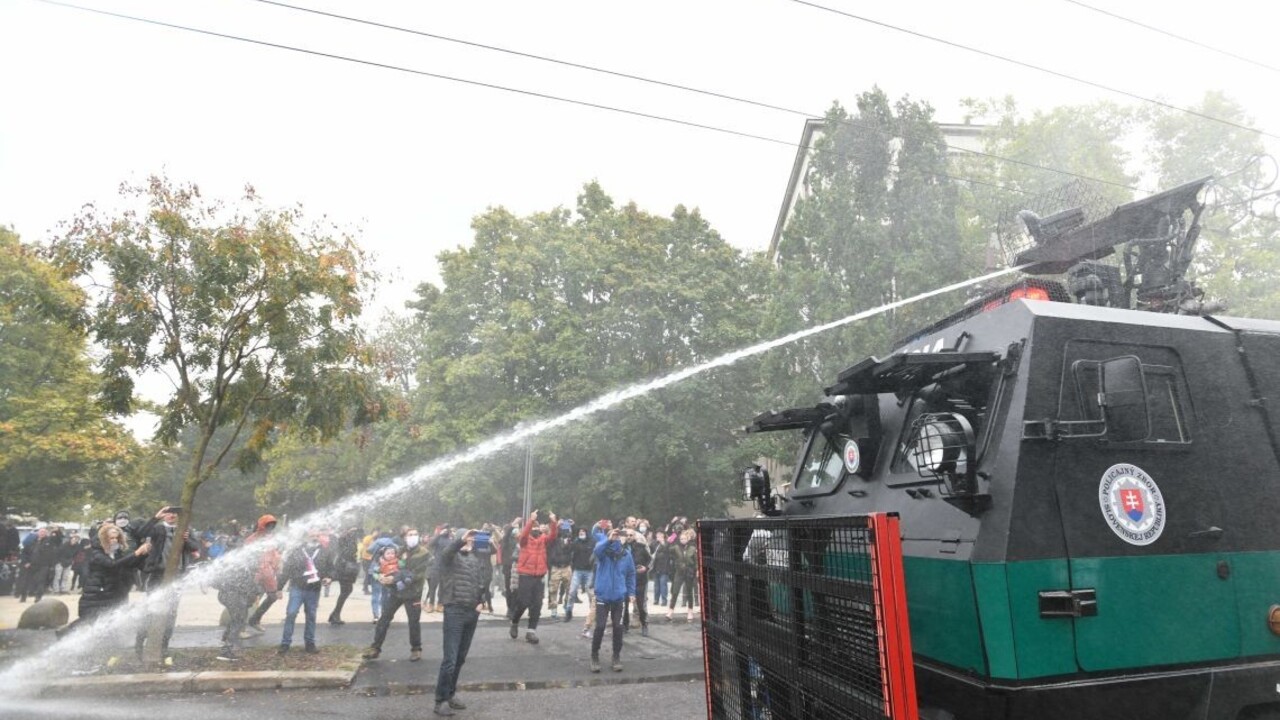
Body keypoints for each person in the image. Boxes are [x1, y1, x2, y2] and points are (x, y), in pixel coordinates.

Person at [432, 528, 492, 717]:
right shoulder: (450, 557)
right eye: (467, 538)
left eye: (472, 539)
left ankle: (451, 694)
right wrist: (460, 540)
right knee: (449, 659)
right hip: (454, 610)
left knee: (460, 658)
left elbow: (482, 581)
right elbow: (446, 553)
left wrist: (481, 601)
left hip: (471, 612)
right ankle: (440, 700)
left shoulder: (477, 559)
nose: (470, 541)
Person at [59, 524, 151, 636]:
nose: (114, 541)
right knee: (89, 619)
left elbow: (127, 564)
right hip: (96, 593)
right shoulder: (96, 552)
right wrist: (136, 553)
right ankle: (64, 635)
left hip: (111, 593)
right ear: (103, 538)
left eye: (117, 538)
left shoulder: (116, 552)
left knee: (107, 620)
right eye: (111, 538)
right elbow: (112, 565)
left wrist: (142, 555)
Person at [134, 505, 200, 660]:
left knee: (170, 613)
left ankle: (164, 647)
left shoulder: (185, 530)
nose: (171, 515)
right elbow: (141, 533)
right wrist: (155, 517)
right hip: (158, 575)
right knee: (151, 610)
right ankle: (139, 643)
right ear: (164, 515)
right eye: (168, 513)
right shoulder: (158, 529)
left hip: (176, 577)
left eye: (174, 513)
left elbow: (195, 548)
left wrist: (187, 540)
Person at [362, 527, 431, 661]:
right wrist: (383, 576)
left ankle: (416, 649)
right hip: (396, 591)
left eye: (416, 534)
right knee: (384, 619)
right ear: (405, 537)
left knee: (413, 622)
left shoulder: (424, 553)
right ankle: (375, 648)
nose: (413, 537)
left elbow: (418, 574)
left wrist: (394, 578)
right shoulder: (399, 551)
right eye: (410, 534)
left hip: (413, 592)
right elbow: (391, 565)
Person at [278, 528, 333, 654]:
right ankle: (285, 643)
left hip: (314, 589)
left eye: (316, 535)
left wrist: (329, 577)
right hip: (297, 587)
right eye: (311, 535)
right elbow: (287, 569)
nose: (314, 538)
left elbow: (331, 568)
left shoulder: (325, 552)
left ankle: (310, 643)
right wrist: (279, 588)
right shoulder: (297, 551)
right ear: (306, 537)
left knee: (311, 616)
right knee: (291, 613)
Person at [590, 527, 636, 673]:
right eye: (615, 535)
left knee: (618, 627)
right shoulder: (603, 552)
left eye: (620, 536)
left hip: (619, 597)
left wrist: (631, 592)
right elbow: (597, 551)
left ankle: (616, 656)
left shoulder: (626, 554)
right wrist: (608, 539)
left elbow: (631, 573)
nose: (618, 538)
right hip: (603, 596)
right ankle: (594, 655)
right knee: (600, 626)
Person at [509, 508, 558, 644]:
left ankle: (531, 632)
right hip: (526, 574)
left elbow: (553, 536)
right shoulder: (524, 540)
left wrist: (553, 522)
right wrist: (531, 520)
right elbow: (523, 534)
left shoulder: (543, 539)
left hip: (540, 575)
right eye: (533, 527)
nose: (536, 529)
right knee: (523, 602)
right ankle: (515, 621)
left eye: (537, 527)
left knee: (537, 604)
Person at [243, 514, 283, 634]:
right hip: (255, 573)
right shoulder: (251, 540)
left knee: (272, 597)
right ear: (261, 525)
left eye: (272, 525)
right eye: (268, 525)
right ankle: (240, 627)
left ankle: (255, 620)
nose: (270, 528)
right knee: (248, 600)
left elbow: (274, 554)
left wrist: (277, 566)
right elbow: (246, 557)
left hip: (268, 574)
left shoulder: (271, 539)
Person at [327, 525, 362, 625]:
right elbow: (347, 552)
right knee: (346, 590)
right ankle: (335, 614)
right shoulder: (345, 539)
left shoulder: (350, 539)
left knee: (346, 591)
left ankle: (335, 613)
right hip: (344, 568)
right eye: (353, 531)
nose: (354, 533)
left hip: (345, 568)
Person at [624, 526, 652, 636]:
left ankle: (644, 625)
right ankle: (625, 626)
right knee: (624, 606)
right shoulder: (622, 548)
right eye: (627, 535)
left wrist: (646, 568)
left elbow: (650, 560)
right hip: (625, 581)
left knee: (640, 605)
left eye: (631, 535)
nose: (629, 537)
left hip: (639, 580)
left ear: (635, 536)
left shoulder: (641, 547)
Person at [665, 528, 698, 623]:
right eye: (681, 539)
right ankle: (670, 612)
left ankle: (690, 612)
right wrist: (671, 538)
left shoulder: (692, 548)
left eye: (684, 538)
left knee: (689, 593)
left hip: (689, 572)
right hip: (679, 572)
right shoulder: (676, 547)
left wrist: (697, 570)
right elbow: (667, 549)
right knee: (675, 592)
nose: (682, 540)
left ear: (688, 539)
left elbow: (696, 561)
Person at [565, 523, 595, 623]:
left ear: (586, 532)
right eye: (579, 532)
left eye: (583, 532)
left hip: (589, 571)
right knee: (572, 591)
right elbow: (568, 550)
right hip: (577, 570)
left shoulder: (592, 542)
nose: (581, 533)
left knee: (590, 593)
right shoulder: (576, 542)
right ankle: (568, 612)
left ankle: (593, 613)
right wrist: (568, 543)